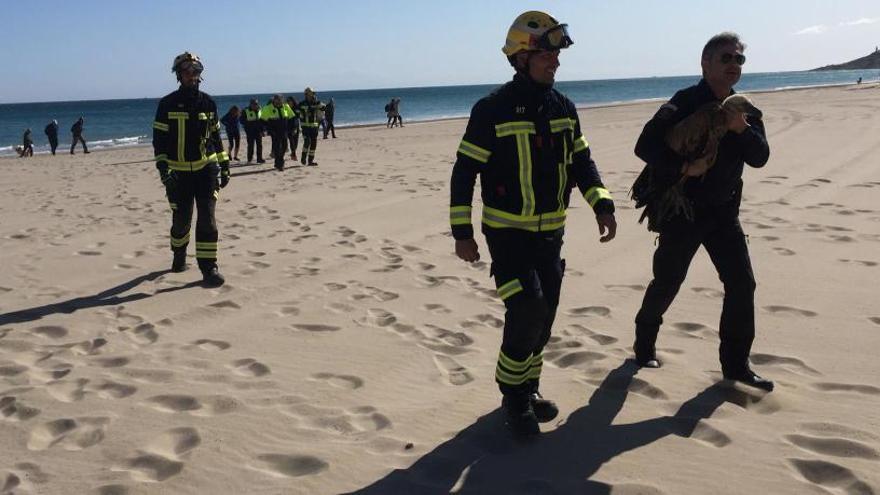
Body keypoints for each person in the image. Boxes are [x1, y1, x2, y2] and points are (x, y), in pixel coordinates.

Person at [450, 11, 617, 436]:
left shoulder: (564, 106)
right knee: (527, 309)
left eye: (556, 55)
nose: (555, 63)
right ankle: (514, 398)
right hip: (507, 238)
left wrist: (601, 202)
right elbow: (464, 171)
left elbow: (582, 161)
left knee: (545, 317)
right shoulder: (492, 108)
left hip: (551, 236)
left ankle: (530, 386)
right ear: (522, 57)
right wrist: (462, 232)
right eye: (546, 54)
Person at [631, 32, 773, 391]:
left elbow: (760, 157)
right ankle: (644, 342)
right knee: (668, 281)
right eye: (726, 58)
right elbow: (644, 145)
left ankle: (736, 366)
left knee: (742, 284)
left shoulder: (745, 108)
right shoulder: (684, 102)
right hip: (684, 211)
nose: (734, 65)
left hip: (724, 211)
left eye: (739, 60)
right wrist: (682, 168)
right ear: (705, 62)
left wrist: (740, 128)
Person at [152, 51, 230, 287]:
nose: (191, 75)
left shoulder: (209, 103)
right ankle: (179, 255)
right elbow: (159, 141)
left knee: (207, 218)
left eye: (195, 71)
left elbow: (215, 137)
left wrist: (224, 164)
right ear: (178, 74)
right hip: (178, 174)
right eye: (186, 71)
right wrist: (164, 170)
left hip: (206, 171)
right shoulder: (166, 104)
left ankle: (209, 268)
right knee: (182, 221)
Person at [261, 94, 289, 170]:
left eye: (280, 99)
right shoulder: (267, 108)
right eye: (277, 99)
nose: (279, 101)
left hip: (284, 131)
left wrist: (294, 127)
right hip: (274, 132)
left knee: (284, 147)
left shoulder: (286, 107)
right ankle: (280, 164)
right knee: (277, 148)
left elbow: (292, 118)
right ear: (274, 100)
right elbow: (262, 121)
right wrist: (264, 130)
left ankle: (278, 162)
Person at [297, 87, 324, 166]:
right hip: (305, 127)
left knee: (313, 143)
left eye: (313, 94)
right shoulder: (301, 104)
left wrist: (321, 106)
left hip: (314, 127)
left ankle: (310, 161)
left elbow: (324, 108)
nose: (312, 95)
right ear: (306, 95)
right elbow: (297, 112)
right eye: (310, 94)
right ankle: (303, 158)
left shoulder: (317, 103)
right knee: (307, 141)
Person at [240, 98, 265, 164]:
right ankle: (249, 159)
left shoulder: (260, 110)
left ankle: (259, 159)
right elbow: (241, 120)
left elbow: (262, 121)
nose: (255, 105)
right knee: (251, 145)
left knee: (259, 145)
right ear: (250, 104)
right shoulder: (246, 111)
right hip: (250, 131)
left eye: (256, 104)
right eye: (254, 104)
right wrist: (249, 123)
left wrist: (263, 131)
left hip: (258, 131)